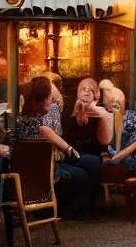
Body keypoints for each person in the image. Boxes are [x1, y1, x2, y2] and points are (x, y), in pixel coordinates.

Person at [15, 76, 94, 219]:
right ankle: (71, 213)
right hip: (42, 169)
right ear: (39, 101)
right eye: (50, 99)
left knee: (86, 165)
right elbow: (45, 131)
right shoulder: (35, 124)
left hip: (38, 167)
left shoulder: (23, 120)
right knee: (83, 175)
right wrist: (68, 148)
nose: (53, 102)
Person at [62, 78, 113, 157]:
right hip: (75, 154)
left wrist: (101, 115)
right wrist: (76, 113)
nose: (86, 92)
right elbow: (69, 137)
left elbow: (105, 142)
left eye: (90, 90)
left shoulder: (101, 110)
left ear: (95, 94)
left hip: (97, 155)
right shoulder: (71, 109)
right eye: (83, 89)